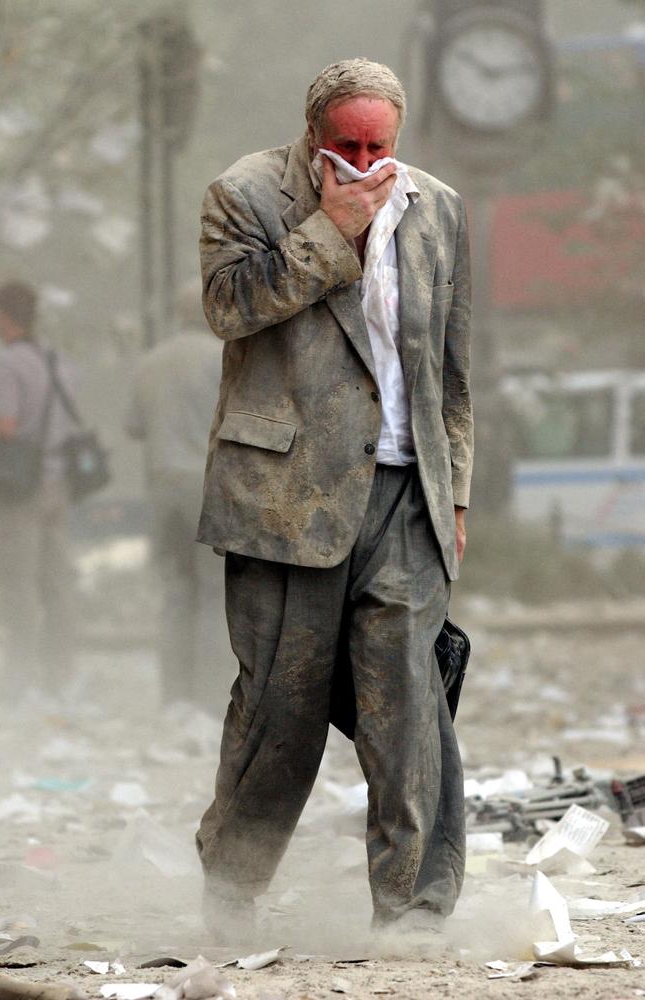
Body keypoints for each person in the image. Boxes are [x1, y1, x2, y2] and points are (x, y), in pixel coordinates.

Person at [195, 58, 473, 939]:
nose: (363, 160)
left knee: (409, 702)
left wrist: (454, 494)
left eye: (378, 145)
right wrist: (330, 230)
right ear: (313, 134)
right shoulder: (245, 194)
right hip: (284, 496)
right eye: (345, 144)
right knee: (281, 707)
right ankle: (231, 892)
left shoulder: (437, 208)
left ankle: (416, 911)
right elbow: (228, 308)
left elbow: (451, 376)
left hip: (406, 489)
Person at [126, 283, 231, 709]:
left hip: (162, 485)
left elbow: (133, 427)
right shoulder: (221, 357)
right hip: (205, 484)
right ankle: (209, 699)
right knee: (212, 590)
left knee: (175, 590)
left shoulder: (150, 361)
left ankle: (174, 698)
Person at [0, 280, 77, 703]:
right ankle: (59, 676)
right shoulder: (57, 359)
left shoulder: (8, 363)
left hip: (19, 489)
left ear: (3, 317)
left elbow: (6, 425)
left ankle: (19, 679)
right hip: (57, 483)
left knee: (18, 585)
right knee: (56, 583)